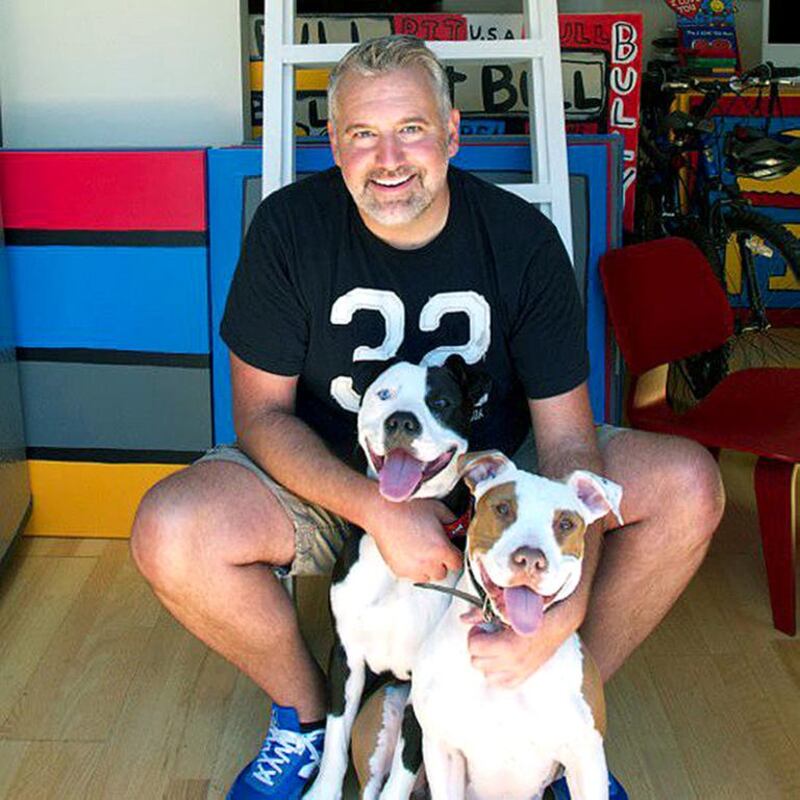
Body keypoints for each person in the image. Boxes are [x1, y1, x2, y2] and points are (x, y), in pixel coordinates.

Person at [130, 35, 725, 800]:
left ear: (450, 131)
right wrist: (377, 509)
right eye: (362, 135)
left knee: (687, 486)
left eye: (410, 129)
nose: (389, 160)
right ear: (334, 145)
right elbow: (260, 417)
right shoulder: (288, 230)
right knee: (170, 530)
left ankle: (552, 707)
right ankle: (309, 718)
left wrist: (566, 606)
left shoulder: (519, 239)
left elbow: (569, 436)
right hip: (329, 477)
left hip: (497, 477)